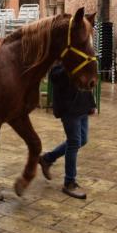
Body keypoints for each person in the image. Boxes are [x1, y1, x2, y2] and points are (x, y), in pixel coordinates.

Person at [39, 63, 96, 199]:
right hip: (69, 109)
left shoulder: (81, 57)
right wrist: (70, 65)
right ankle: (69, 182)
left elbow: (87, 81)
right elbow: (55, 77)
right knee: (74, 142)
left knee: (82, 140)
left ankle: (47, 159)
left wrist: (91, 104)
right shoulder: (60, 63)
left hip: (82, 106)